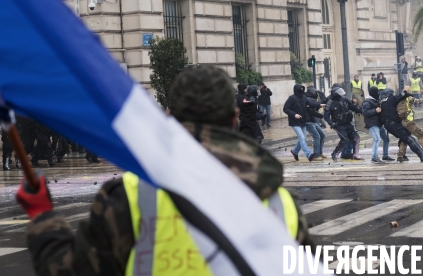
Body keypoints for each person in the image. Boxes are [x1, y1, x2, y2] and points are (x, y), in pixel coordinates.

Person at [17, 65, 312, 276]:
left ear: (169, 116)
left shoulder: (130, 196)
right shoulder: (280, 201)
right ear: (234, 118)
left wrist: (43, 216)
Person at [379, 88, 423, 163]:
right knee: (410, 139)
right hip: (394, 124)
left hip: (388, 126)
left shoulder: (381, 103)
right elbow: (401, 95)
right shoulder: (391, 99)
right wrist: (407, 94)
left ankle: (401, 155)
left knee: (404, 137)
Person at [396, 86, 423, 163]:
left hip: (402, 122)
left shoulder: (399, 99)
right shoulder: (409, 98)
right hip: (409, 122)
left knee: (405, 139)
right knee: (421, 134)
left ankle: (400, 156)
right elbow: (420, 101)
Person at [284, 84, 322, 162]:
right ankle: (308, 155)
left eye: (302, 89)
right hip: (294, 122)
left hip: (302, 121)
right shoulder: (291, 98)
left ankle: (294, 151)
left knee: (303, 138)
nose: (301, 90)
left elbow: (311, 104)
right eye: (300, 89)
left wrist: (320, 105)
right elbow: (285, 109)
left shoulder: (304, 98)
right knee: (301, 137)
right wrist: (294, 115)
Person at [324, 87, 362, 162]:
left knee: (356, 137)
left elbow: (352, 107)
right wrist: (331, 123)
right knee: (344, 139)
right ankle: (335, 154)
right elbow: (326, 115)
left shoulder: (345, 99)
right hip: (338, 124)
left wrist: (360, 110)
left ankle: (356, 154)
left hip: (347, 122)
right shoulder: (330, 103)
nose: (341, 94)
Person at [363, 86, 393, 163]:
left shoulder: (376, 101)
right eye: (377, 93)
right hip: (372, 124)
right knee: (377, 139)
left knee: (386, 139)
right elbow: (365, 113)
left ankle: (385, 155)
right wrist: (375, 110)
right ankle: (374, 157)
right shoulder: (367, 102)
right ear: (373, 93)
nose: (378, 94)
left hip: (378, 124)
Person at [305, 87, 326, 160]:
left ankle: (319, 152)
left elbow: (317, 106)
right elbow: (312, 111)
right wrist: (320, 115)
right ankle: (316, 155)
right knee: (317, 136)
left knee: (322, 135)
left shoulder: (312, 100)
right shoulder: (309, 100)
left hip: (313, 121)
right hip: (308, 122)